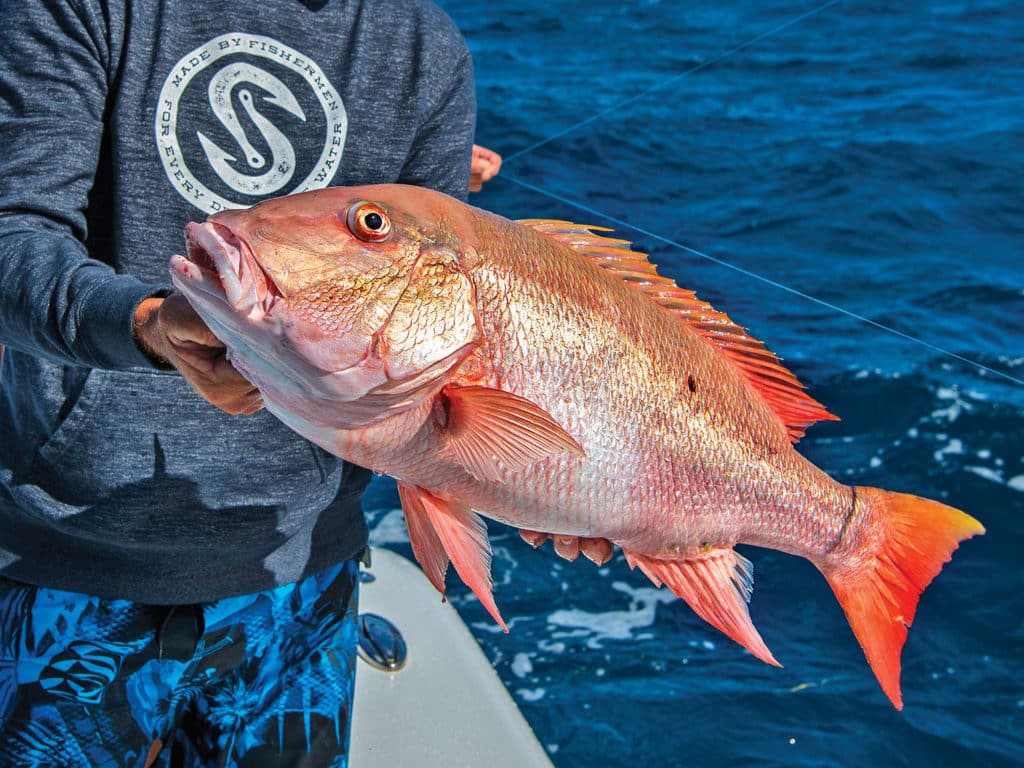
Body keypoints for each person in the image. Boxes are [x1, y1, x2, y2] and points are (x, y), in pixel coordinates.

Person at [0, 0, 476, 765]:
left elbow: (443, 335)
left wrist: (555, 489)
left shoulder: (425, 48)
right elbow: (13, 233)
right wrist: (150, 326)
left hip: (302, 573)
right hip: (67, 563)